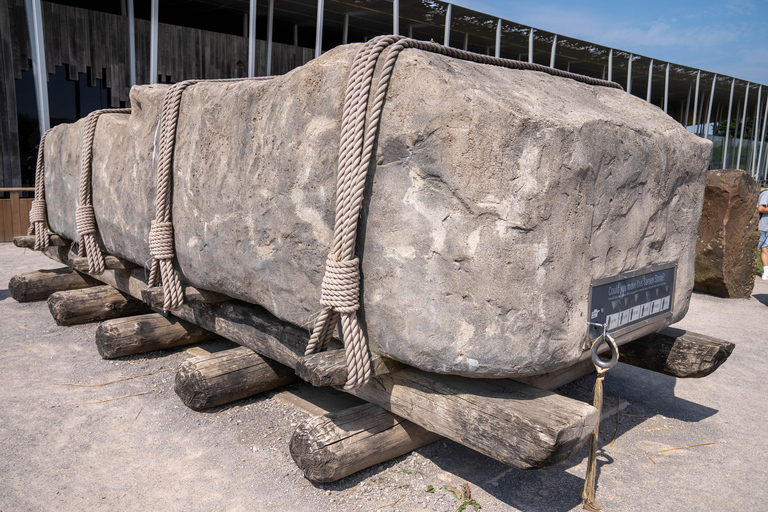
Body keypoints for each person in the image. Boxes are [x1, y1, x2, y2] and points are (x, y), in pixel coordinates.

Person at [759, 187, 768, 280]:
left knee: (765, 249)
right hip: (761, 227)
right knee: (753, 250)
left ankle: (766, 273)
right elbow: (761, 208)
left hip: (766, 228)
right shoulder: (766, 193)